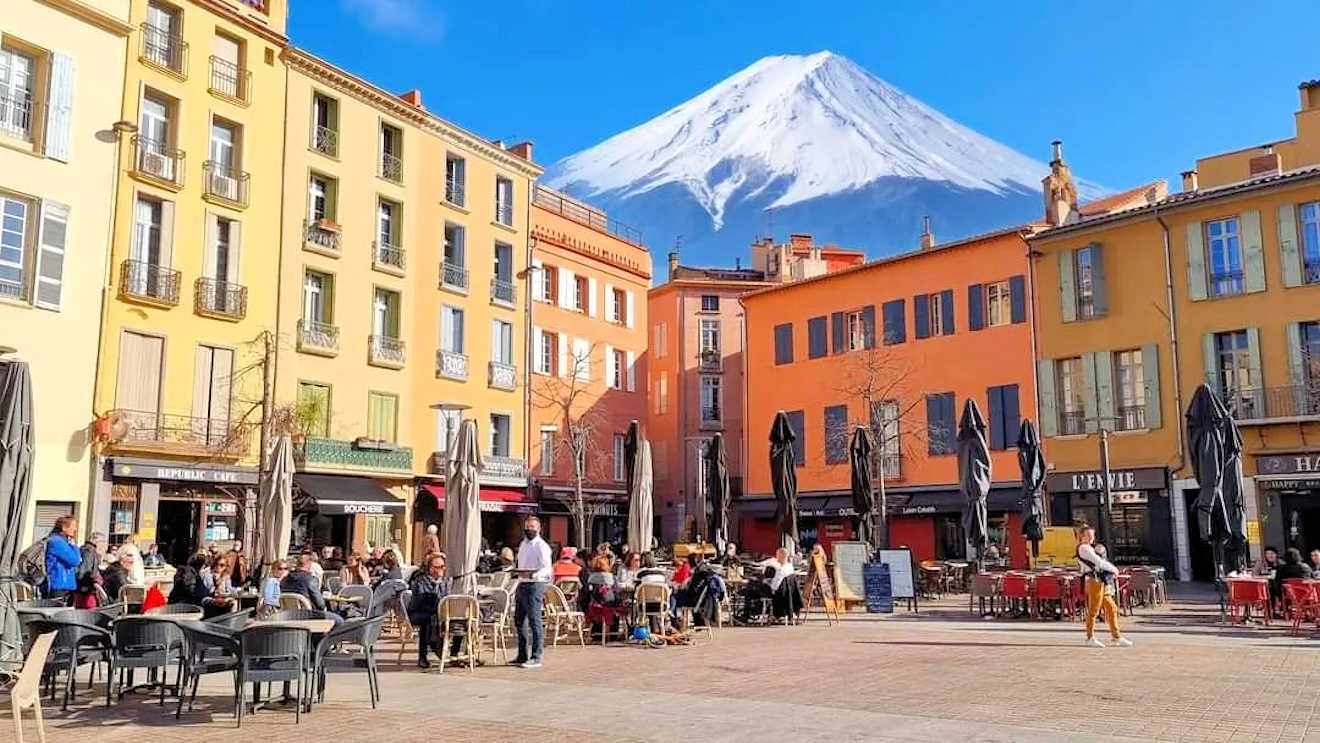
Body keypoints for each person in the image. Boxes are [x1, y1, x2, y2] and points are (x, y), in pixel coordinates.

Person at [1076, 526, 1132, 647]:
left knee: (1112, 608)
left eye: (1092, 535)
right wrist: (1114, 570)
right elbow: (1099, 562)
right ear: (1082, 536)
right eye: (1088, 535)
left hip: (1099, 580)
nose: (1091, 538)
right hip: (1094, 580)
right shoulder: (1084, 548)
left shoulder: (1088, 548)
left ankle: (1116, 636)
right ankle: (1090, 637)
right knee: (1094, 610)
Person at [512, 515, 552, 669]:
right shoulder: (523, 544)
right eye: (527, 527)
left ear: (539, 528)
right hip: (522, 584)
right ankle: (522, 655)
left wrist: (534, 575)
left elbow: (547, 568)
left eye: (532, 527)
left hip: (535, 584)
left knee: (535, 621)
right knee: (519, 620)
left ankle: (536, 656)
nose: (529, 529)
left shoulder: (542, 546)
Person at [407, 552, 455, 669]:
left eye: (443, 566)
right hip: (419, 612)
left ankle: (454, 654)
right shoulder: (421, 581)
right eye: (438, 567)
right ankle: (423, 657)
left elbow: (446, 599)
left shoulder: (445, 582)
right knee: (427, 622)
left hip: (439, 614)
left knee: (459, 623)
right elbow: (420, 602)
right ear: (431, 568)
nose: (442, 569)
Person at [757, 547, 803, 621]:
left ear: (781, 556)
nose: (776, 557)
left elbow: (773, 583)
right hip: (789, 593)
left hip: (779, 593)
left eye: (777, 555)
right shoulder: (790, 567)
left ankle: (773, 614)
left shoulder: (775, 567)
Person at [43, 516, 81, 604]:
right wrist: (74, 545)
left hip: (61, 585)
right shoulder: (57, 542)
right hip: (60, 585)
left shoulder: (58, 541)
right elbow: (75, 560)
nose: (75, 529)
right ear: (64, 528)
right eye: (73, 526)